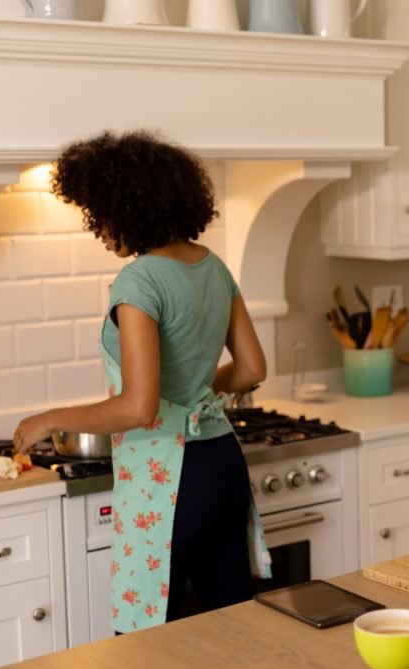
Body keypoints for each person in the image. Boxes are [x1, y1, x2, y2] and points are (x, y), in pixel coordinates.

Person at [13, 130, 271, 632]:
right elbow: (252, 370)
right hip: (222, 465)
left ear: (129, 208)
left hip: (168, 481)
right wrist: (196, 396)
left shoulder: (139, 281)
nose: (98, 228)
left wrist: (49, 419)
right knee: (234, 630)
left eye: (99, 214)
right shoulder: (213, 267)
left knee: (146, 640)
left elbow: (138, 407)